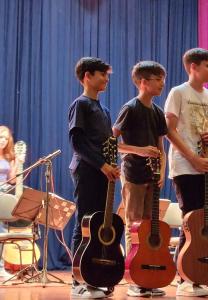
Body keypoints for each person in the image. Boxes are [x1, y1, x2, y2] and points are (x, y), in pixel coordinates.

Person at [164, 48, 208, 297]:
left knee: (205, 220)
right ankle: (184, 277)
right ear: (193, 67)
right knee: (190, 221)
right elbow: (169, 130)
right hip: (186, 165)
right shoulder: (178, 93)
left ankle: (198, 274)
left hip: (207, 167)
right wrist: (193, 159)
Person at [113, 61, 168, 297]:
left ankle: (149, 275)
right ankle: (135, 277)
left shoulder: (157, 112)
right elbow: (113, 142)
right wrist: (139, 150)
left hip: (152, 177)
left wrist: (162, 171)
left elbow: (160, 145)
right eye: (157, 79)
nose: (162, 84)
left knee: (148, 226)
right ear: (143, 82)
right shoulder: (130, 108)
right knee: (134, 226)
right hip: (133, 174)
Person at [68, 57, 120, 299]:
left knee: (100, 224)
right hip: (87, 171)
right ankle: (77, 281)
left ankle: (95, 276)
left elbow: (109, 144)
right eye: (102, 75)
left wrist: (112, 166)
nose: (106, 79)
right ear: (87, 76)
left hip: (103, 172)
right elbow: (77, 142)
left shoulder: (105, 110)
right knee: (85, 223)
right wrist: (101, 165)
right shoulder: (81, 104)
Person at [0, 125, 17, 278]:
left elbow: (12, 180)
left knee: (3, 232)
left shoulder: (8, 157)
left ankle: (1, 267)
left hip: (4, 196)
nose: (3, 141)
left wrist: (17, 162)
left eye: (6, 138)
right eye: (0, 137)